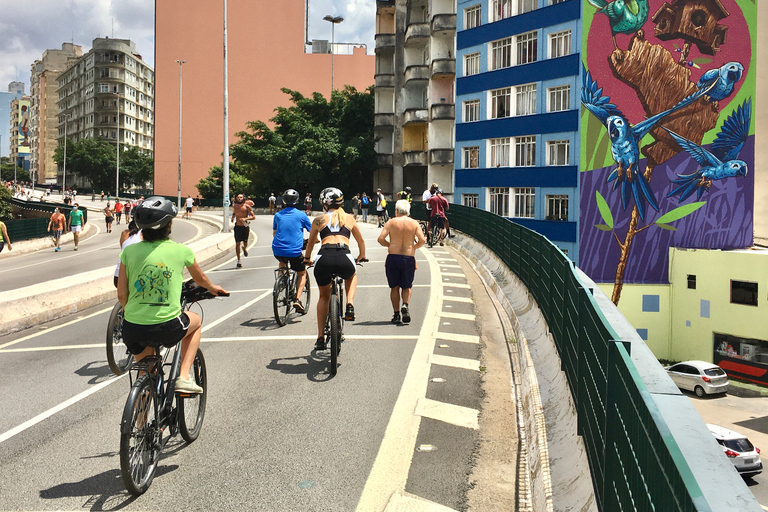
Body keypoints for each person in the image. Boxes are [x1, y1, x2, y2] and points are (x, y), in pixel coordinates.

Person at [118, 196, 227, 394]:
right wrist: (212, 288)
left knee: (146, 374)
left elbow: (121, 294)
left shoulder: (128, 251)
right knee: (196, 321)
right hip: (166, 325)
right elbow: (200, 278)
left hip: (132, 327)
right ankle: (184, 377)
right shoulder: (181, 250)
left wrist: (131, 312)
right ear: (168, 224)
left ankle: (141, 422)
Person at [304, 187, 366, 351]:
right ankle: (350, 304)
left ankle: (319, 338)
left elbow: (310, 244)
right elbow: (361, 242)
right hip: (344, 256)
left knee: (324, 297)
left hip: (324, 257)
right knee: (351, 275)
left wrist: (306, 259)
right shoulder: (349, 218)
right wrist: (361, 256)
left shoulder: (318, 220)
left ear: (325, 203)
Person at [377, 200, 426, 324]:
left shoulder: (391, 222)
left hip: (393, 257)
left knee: (394, 287)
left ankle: (396, 314)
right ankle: (405, 304)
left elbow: (381, 239)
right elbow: (422, 240)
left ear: (397, 210)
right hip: (408, 257)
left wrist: (390, 245)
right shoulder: (414, 223)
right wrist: (413, 247)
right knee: (407, 286)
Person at [272, 189, 313, 313]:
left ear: (283, 201)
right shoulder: (301, 215)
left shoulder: (278, 215)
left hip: (277, 250)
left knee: (282, 261)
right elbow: (313, 232)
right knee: (301, 273)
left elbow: (274, 233)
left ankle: (281, 281)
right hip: (295, 252)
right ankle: (297, 299)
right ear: (297, 201)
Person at [114, 218, 142, 287]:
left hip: (118, 275)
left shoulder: (124, 233)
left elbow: (123, 250)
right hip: (132, 275)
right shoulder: (143, 235)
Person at [231, 193, 255, 268]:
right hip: (237, 227)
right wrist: (232, 218)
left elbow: (253, 217)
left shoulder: (247, 207)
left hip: (244, 227)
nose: (239, 199)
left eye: (241, 197)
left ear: (243, 198)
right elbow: (234, 213)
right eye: (238, 197)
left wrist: (245, 219)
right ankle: (239, 261)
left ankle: (244, 248)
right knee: (237, 243)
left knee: (245, 242)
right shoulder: (235, 206)